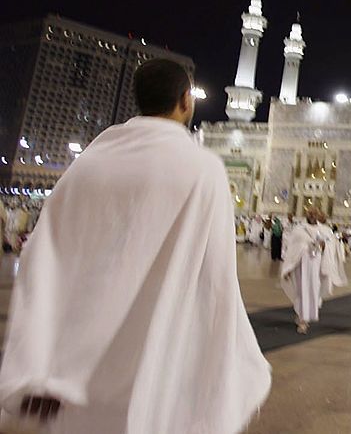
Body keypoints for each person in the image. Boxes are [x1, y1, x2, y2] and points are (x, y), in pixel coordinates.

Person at [0, 59, 270, 433]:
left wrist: (34, 361)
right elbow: (216, 278)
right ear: (185, 101)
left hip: (75, 371)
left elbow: (41, 260)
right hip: (158, 363)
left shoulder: (89, 164)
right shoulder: (202, 169)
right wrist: (221, 367)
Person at [281, 208, 347, 334]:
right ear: (306, 215)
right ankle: (302, 320)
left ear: (319, 216)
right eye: (310, 213)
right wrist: (288, 268)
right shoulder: (299, 230)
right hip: (301, 265)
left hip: (316, 265)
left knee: (313, 290)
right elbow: (292, 249)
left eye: (315, 214)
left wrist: (323, 246)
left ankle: (305, 315)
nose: (312, 216)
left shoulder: (324, 230)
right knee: (302, 291)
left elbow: (331, 246)